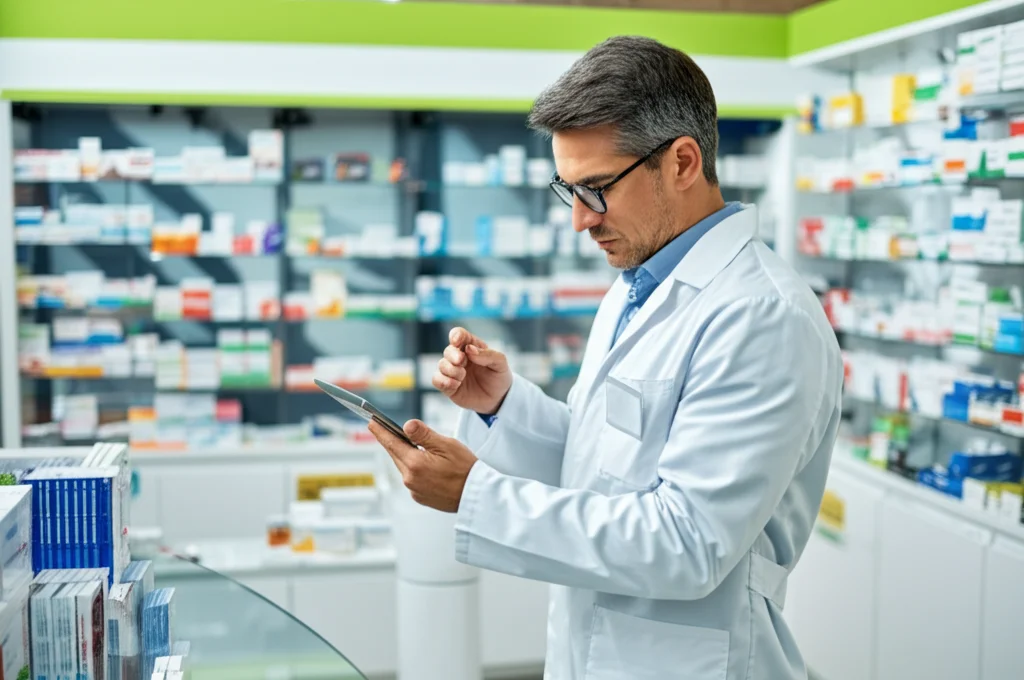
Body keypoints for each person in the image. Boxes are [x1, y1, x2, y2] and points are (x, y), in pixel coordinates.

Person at [369, 35, 843, 680]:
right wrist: (506, 405)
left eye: (596, 189)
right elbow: (604, 465)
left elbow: (687, 541)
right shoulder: (639, 285)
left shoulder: (762, 316)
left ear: (681, 161)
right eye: (570, 190)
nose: (580, 221)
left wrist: (477, 495)